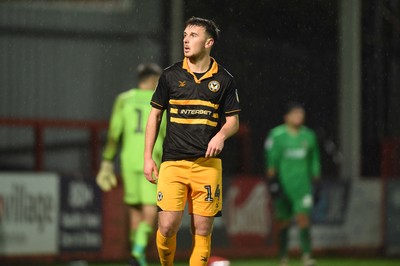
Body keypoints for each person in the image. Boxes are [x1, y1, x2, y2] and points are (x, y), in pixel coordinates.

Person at [144, 17, 241, 266]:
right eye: (185, 35)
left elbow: (233, 122)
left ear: (209, 42)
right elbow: (155, 115)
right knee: (166, 227)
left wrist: (220, 135)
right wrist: (148, 158)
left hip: (207, 166)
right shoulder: (170, 76)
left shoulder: (225, 80)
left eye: (193, 35)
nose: (186, 40)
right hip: (173, 163)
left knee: (202, 229)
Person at [96, 63, 165, 266]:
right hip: (152, 159)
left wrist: (107, 161)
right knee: (151, 207)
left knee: (135, 209)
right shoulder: (160, 99)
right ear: (153, 80)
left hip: (128, 160)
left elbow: (114, 133)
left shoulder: (124, 99)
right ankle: (138, 248)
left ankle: (138, 260)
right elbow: (167, 132)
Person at [264, 102, 321, 266]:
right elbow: (271, 160)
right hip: (283, 184)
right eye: (295, 114)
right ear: (286, 117)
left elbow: (314, 160)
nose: (298, 117)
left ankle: (307, 255)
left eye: (301, 114)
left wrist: (316, 181)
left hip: (302, 186)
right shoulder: (276, 135)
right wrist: (273, 182)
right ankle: (283, 256)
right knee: (284, 221)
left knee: (303, 218)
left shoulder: (309, 136)